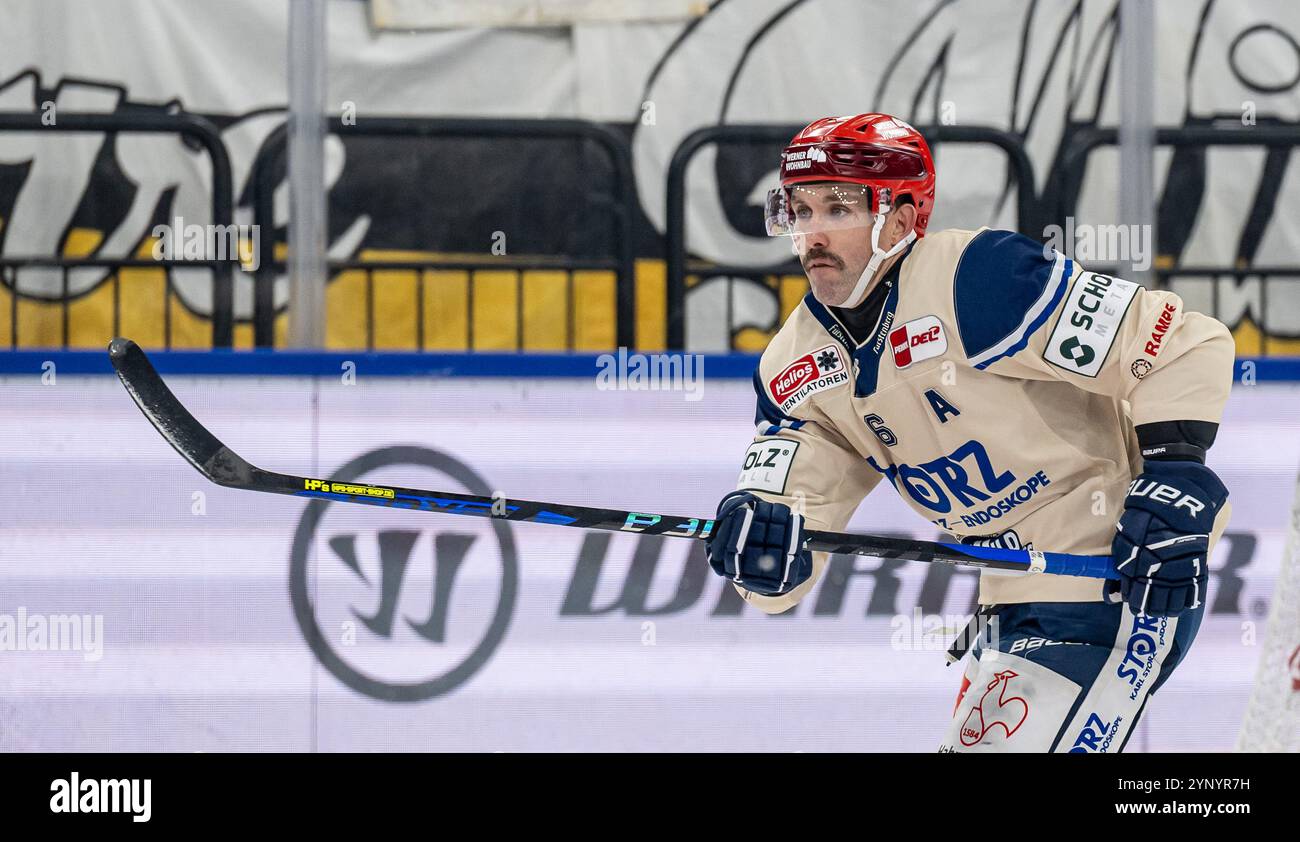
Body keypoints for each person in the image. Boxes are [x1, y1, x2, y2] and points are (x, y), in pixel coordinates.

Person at [703, 113, 1234, 752]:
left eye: (838, 208)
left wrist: (1176, 473)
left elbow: (1182, 344)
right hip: (1010, 604)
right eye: (800, 209)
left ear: (900, 220)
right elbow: (783, 558)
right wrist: (759, 550)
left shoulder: (980, 280)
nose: (812, 233)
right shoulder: (791, 367)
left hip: (1119, 582)